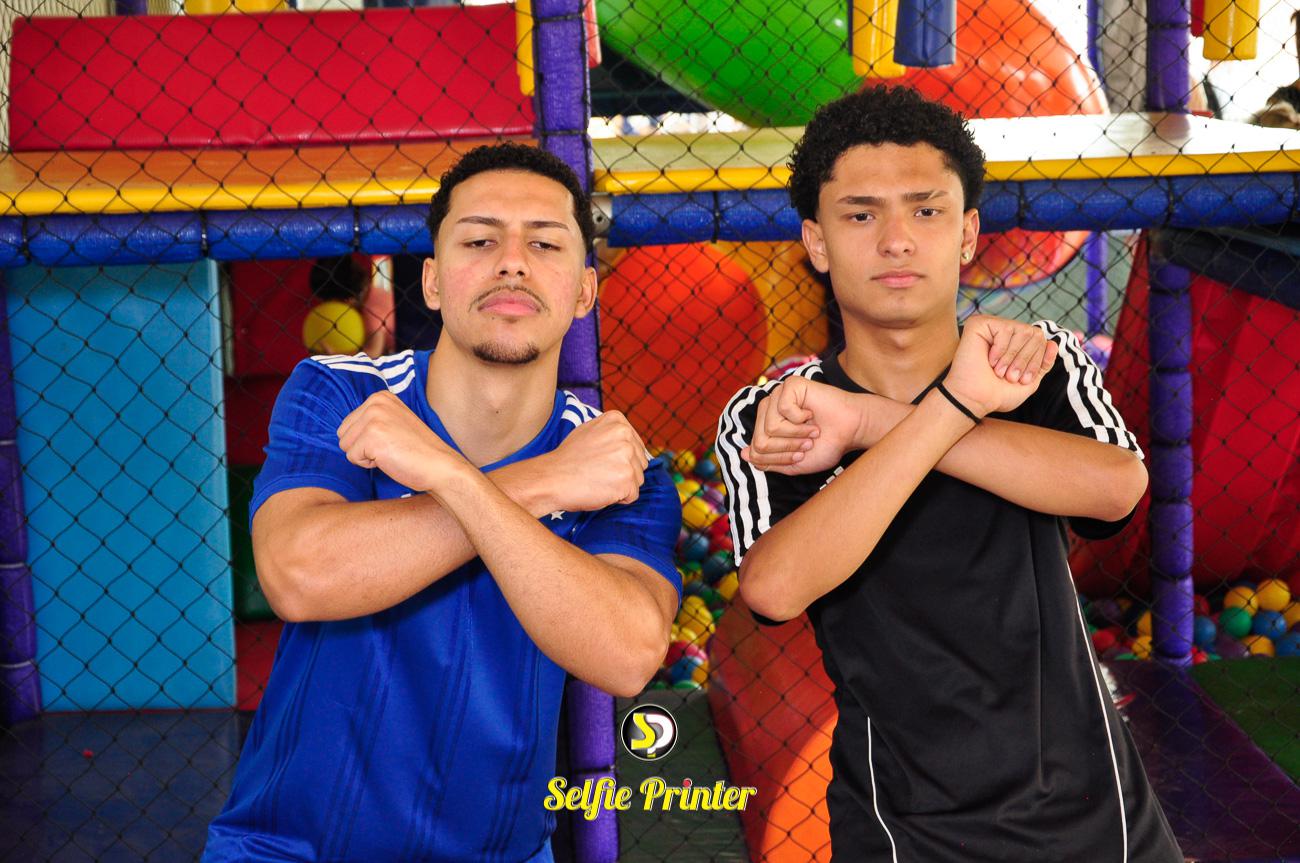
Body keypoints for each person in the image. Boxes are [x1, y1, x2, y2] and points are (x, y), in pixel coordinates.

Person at [716, 86, 1183, 862]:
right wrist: (954, 407)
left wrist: (874, 422)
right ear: (817, 242)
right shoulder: (781, 412)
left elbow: (1116, 490)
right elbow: (775, 587)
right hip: (907, 826)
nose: (897, 241)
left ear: (967, 233)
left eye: (926, 211)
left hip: (1098, 814)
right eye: (861, 216)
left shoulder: (1036, 365)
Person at [204, 143, 682, 862]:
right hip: (288, 849)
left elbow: (627, 654)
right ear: (431, 281)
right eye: (480, 241)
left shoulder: (617, 466)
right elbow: (298, 576)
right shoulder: (341, 391)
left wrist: (454, 479)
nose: (512, 262)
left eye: (544, 243)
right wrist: (540, 483)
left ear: (585, 291)